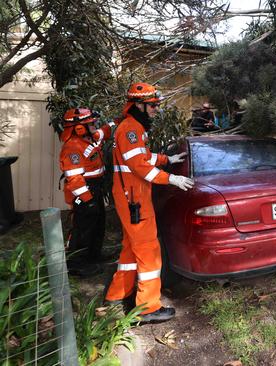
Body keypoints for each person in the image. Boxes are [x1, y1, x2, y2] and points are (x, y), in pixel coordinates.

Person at [104, 82, 194, 323]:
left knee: (130, 248)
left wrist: (167, 158)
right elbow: (139, 166)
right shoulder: (130, 129)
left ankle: (117, 295)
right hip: (134, 199)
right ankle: (147, 309)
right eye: (152, 105)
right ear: (138, 105)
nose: (156, 109)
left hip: (131, 196)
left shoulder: (133, 128)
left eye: (157, 105)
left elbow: (142, 156)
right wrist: (171, 178)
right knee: (148, 250)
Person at [59, 108, 114, 277]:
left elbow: (102, 133)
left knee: (98, 223)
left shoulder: (88, 139)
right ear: (79, 128)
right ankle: (76, 264)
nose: (94, 126)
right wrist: (87, 200)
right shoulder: (72, 148)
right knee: (82, 228)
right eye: (91, 123)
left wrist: (115, 123)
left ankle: (93, 256)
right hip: (84, 192)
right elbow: (74, 178)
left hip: (94, 189)